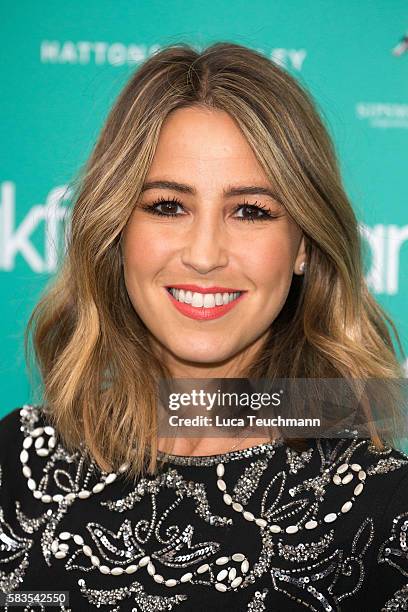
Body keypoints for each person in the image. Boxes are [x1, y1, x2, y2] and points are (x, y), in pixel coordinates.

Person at [1, 41, 407, 612]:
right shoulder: (19, 460)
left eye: (251, 211)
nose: (204, 253)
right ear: (117, 231)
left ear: (305, 247)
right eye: (168, 205)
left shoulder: (385, 509)